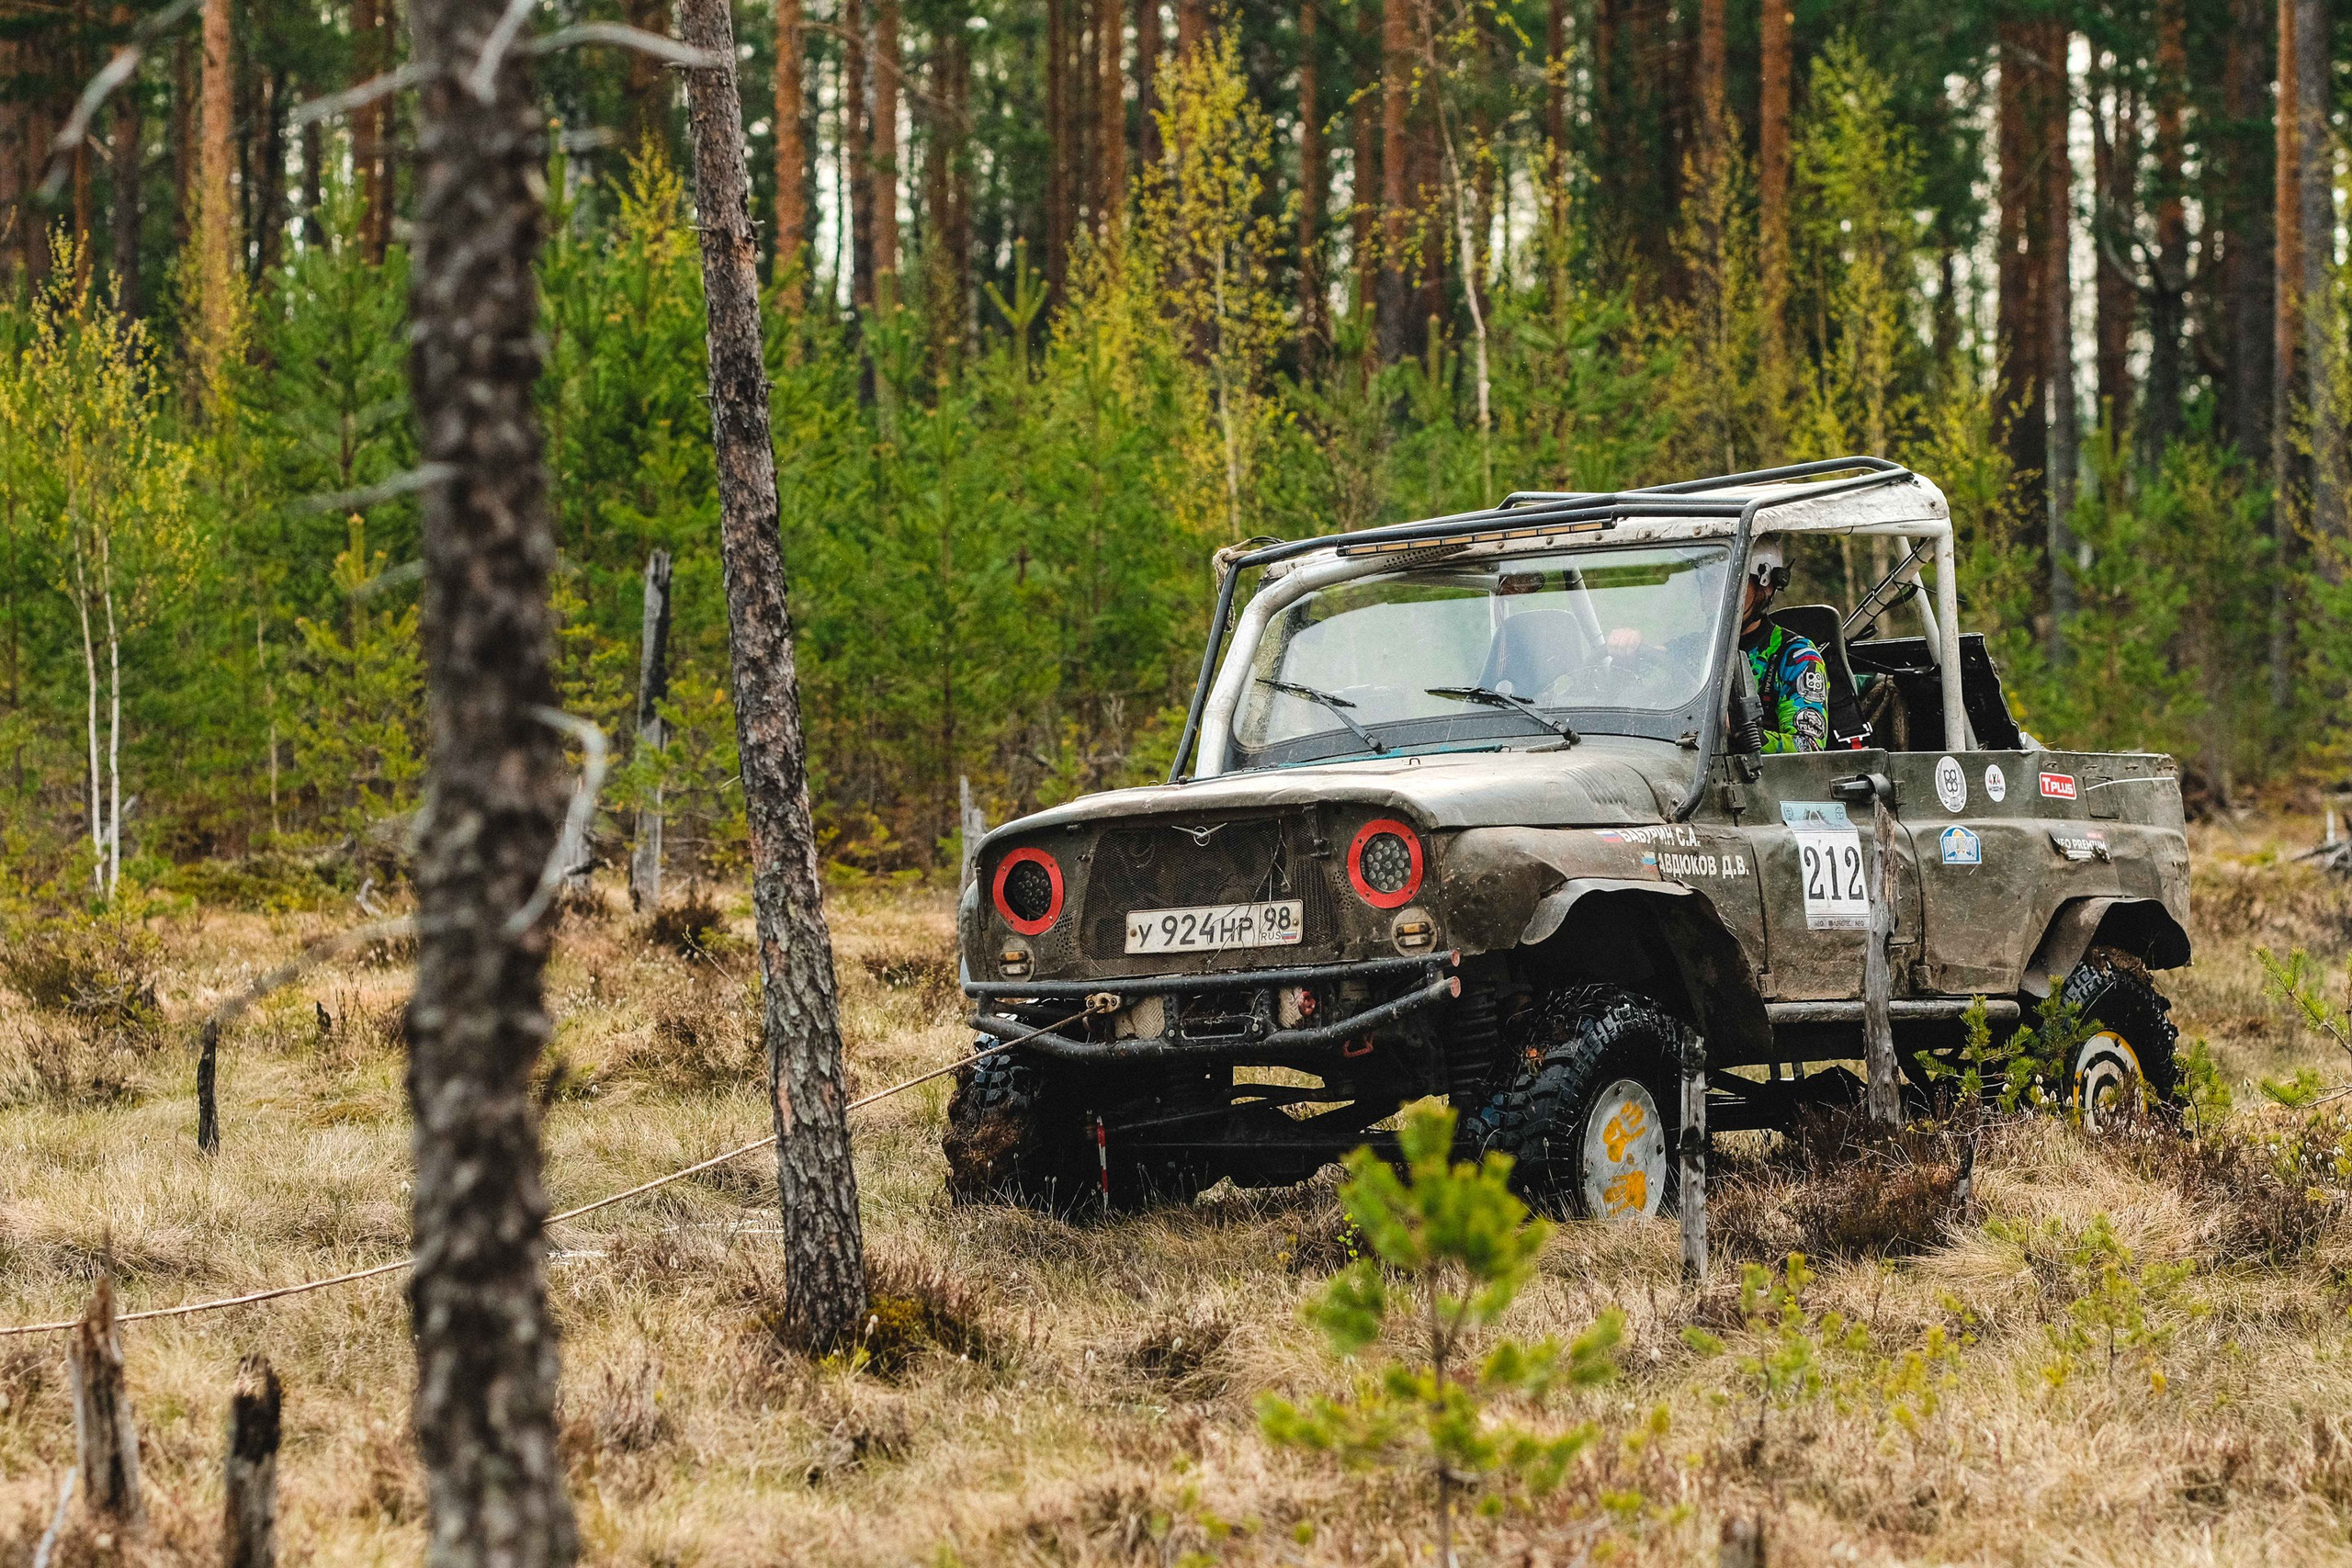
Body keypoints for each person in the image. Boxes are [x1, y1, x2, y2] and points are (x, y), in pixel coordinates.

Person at [1737, 538, 1826, 753]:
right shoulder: (1692, 651)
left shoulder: (1798, 657)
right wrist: (1642, 652)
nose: (1717, 593)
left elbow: (1809, 748)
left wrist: (1740, 733)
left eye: (1735, 583)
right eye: (1708, 581)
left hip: (1761, 782)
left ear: (1765, 586)